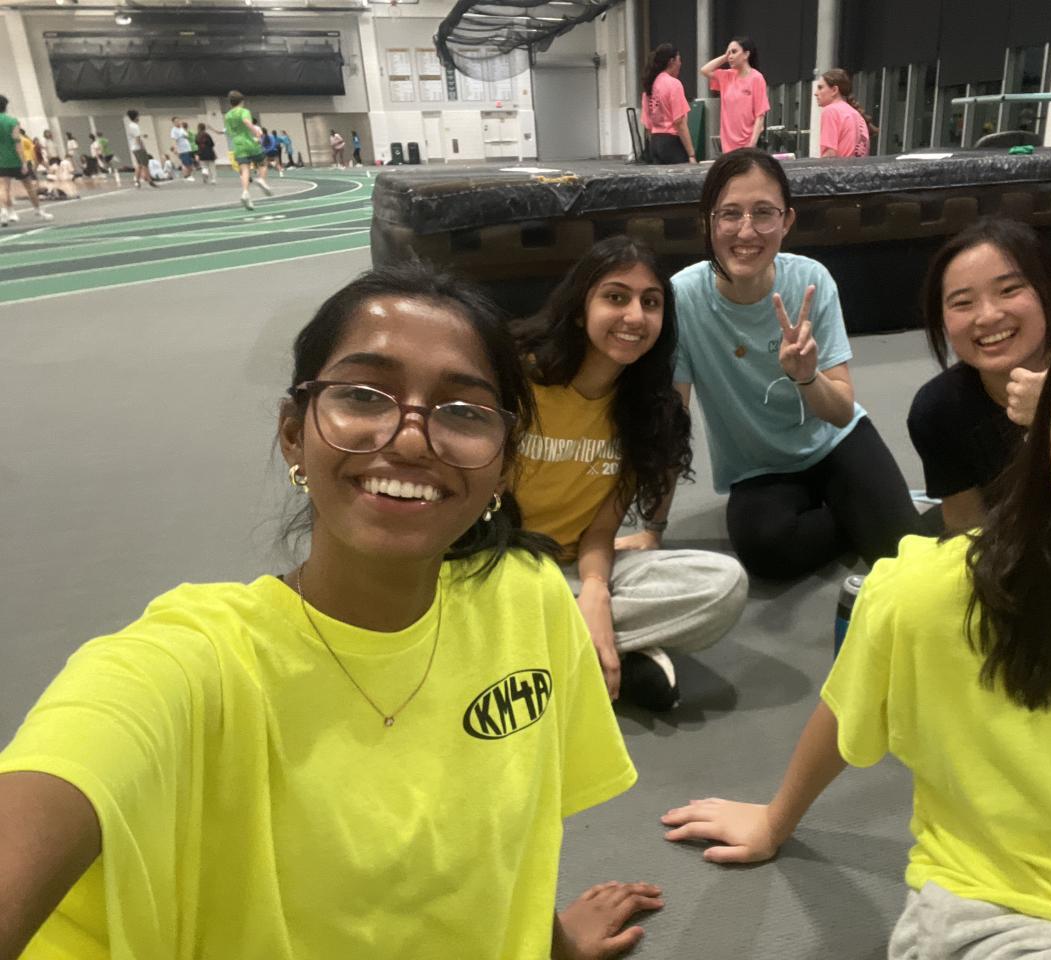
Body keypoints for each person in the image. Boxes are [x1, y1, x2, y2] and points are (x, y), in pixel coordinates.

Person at [0, 262, 665, 960]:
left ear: (503, 464)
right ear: (295, 432)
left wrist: (552, 944)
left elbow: (509, 844)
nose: (411, 439)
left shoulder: (528, 596)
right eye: (364, 396)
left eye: (463, 410)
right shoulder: (190, 665)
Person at [663, 244, 1051, 955]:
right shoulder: (939, 441)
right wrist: (776, 817)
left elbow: (845, 417)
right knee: (794, 547)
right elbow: (881, 658)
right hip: (1012, 920)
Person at [655, 148, 923, 579]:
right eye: (730, 213)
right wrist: (653, 528)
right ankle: (860, 513)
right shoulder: (683, 298)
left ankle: (873, 509)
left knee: (903, 554)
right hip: (761, 469)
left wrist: (807, 376)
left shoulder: (811, 281)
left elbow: (841, 413)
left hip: (835, 444)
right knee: (765, 551)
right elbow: (672, 423)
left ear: (787, 221)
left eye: (764, 213)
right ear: (708, 221)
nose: (746, 231)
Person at [511, 236, 748, 712]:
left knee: (723, 584)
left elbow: (601, 531)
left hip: (575, 569)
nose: (635, 316)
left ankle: (567, 640)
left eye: (650, 302)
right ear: (580, 310)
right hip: (499, 561)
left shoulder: (646, 412)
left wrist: (596, 592)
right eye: (616, 297)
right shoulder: (518, 380)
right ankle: (607, 650)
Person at [907, 218, 1051, 532]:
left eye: (1009, 290)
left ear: (1048, 291)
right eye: (963, 303)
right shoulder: (938, 409)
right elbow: (968, 525)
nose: (988, 316)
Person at [699, 37, 769, 155]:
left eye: (734, 52)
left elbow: (760, 115)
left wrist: (752, 143)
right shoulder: (727, 76)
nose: (730, 56)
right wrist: (724, 57)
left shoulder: (756, 78)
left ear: (746, 54)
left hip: (747, 144)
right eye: (729, 52)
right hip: (728, 145)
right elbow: (704, 70)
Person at [0, 96, 53, 225]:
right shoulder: (12, 121)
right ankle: (38, 210)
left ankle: (6, 212)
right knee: (29, 187)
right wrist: (23, 162)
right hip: (16, 160)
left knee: (4, 188)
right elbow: (17, 143)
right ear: (6, 106)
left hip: (2, 160)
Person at [641, 44, 697, 165]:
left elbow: (648, 126)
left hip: (655, 143)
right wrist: (691, 154)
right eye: (679, 59)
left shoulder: (650, 86)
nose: (680, 63)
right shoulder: (673, 84)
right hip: (672, 144)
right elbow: (679, 122)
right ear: (672, 61)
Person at [224, 91, 273, 210]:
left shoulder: (228, 116)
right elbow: (246, 121)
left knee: (244, 169)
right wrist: (255, 131)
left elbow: (228, 131)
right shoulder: (244, 111)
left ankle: (245, 193)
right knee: (263, 162)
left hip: (237, 144)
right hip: (248, 141)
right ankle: (261, 179)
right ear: (242, 101)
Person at [814, 68, 870, 158]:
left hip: (839, 166)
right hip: (858, 166)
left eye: (820, 88)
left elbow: (829, 155)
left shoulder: (830, 111)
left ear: (834, 90)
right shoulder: (856, 114)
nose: (816, 93)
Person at [125, 109, 158, 189]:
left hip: (134, 148)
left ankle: (137, 180)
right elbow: (137, 138)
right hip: (138, 148)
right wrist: (142, 147)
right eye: (138, 116)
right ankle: (150, 180)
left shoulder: (130, 125)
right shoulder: (135, 126)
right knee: (145, 164)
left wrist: (142, 135)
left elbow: (135, 136)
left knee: (139, 165)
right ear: (136, 116)